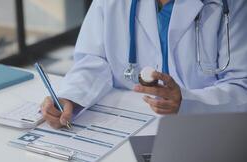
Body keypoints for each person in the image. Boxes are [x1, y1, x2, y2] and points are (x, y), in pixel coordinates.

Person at [41, 0, 247, 129]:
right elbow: (94, 59)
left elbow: (241, 86)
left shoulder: (232, 6)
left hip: (206, 129)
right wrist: (72, 97)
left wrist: (188, 102)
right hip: (127, 125)